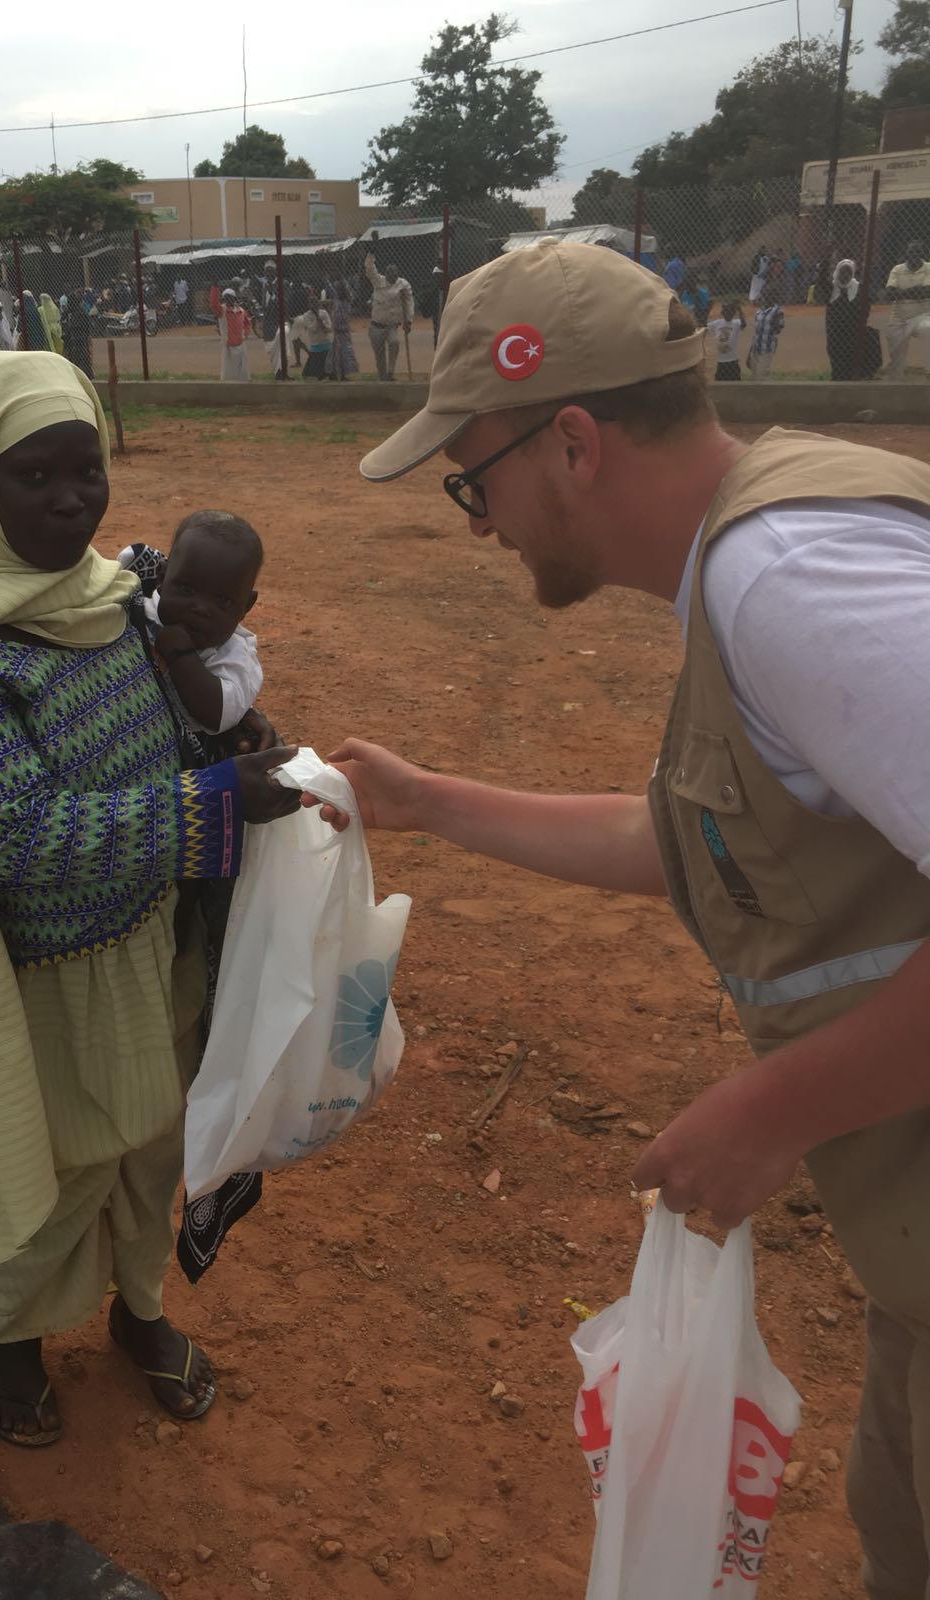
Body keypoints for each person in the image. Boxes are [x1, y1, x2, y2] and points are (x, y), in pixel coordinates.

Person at [317, 237, 930, 1600]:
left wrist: (773, 1112)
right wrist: (432, 803)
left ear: (576, 442)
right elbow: (697, 835)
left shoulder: (787, 582)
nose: (477, 522)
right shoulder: (753, 556)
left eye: (473, 478)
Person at [0, 352, 300, 1447]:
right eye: (31, 474)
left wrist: (231, 742)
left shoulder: (117, 596)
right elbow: (15, 831)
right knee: (58, 1175)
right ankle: (12, 1337)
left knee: (152, 1152)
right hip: (50, 978)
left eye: (84, 468)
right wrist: (209, 804)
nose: (67, 498)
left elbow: (182, 714)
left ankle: (139, 1311)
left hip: (155, 940)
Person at [118, 511, 262, 739]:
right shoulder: (133, 610)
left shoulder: (235, 655)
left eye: (223, 601)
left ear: (245, 607)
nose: (201, 608)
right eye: (187, 589)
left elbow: (220, 714)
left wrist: (181, 655)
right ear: (162, 578)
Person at [884, 239, 930, 381]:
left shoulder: (929, 267)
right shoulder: (897, 269)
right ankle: (897, 379)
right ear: (906, 254)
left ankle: (929, 371)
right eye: (911, 252)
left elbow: (926, 292)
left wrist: (900, 293)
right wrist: (916, 292)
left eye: (917, 251)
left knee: (929, 329)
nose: (914, 255)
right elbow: (889, 294)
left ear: (923, 253)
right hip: (899, 319)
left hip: (922, 316)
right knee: (897, 356)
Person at [364, 251, 413, 381]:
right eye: (390, 275)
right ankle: (383, 377)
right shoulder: (378, 281)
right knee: (379, 356)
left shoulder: (403, 284)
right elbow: (369, 269)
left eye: (395, 276)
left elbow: (409, 302)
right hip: (376, 326)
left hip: (392, 326)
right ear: (385, 274)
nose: (393, 278)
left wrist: (408, 321)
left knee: (394, 343)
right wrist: (371, 253)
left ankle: (391, 371)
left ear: (398, 275)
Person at [826, 259, 864, 381]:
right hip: (834, 331)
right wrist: (827, 258)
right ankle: (836, 377)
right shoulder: (832, 287)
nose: (845, 275)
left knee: (851, 357)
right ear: (837, 272)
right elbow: (820, 287)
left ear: (852, 273)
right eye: (842, 272)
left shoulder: (858, 288)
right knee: (835, 356)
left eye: (849, 272)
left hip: (852, 331)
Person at [290, 297, 333, 380]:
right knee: (312, 374)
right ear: (309, 305)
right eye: (312, 304)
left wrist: (324, 325)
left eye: (316, 303)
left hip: (326, 343)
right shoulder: (306, 316)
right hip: (316, 344)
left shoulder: (323, 312)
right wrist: (317, 318)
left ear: (318, 304)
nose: (314, 306)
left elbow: (329, 327)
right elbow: (312, 329)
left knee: (330, 369)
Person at [747, 285, 785, 381]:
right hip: (756, 348)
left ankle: (767, 394)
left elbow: (778, 330)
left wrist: (776, 321)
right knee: (754, 375)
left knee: (763, 374)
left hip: (767, 348)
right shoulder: (759, 312)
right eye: (765, 294)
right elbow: (755, 333)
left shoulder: (777, 311)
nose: (767, 297)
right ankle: (757, 395)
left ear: (775, 297)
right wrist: (749, 353)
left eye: (771, 295)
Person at [216, 288, 253, 381]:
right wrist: (214, 288)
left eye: (231, 297)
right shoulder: (222, 311)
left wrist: (246, 334)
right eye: (226, 298)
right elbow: (213, 305)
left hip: (241, 344)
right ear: (224, 299)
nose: (229, 300)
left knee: (242, 371)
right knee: (228, 371)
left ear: (234, 298)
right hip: (228, 345)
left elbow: (247, 323)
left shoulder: (241, 311)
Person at [328, 279, 359, 380]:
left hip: (344, 332)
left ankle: (342, 375)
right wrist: (327, 278)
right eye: (338, 290)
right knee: (335, 355)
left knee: (345, 354)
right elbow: (330, 288)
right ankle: (335, 374)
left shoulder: (347, 300)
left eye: (341, 290)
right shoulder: (336, 299)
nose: (339, 292)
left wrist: (343, 280)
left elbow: (349, 292)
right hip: (336, 332)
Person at [706, 299, 743, 380]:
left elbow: (744, 324)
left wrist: (740, 310)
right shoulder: (717, 323)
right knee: (720, 383)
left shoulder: (736, 323)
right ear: (722, 313)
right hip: (721, 361)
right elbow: (704, 325)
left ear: (734, 313)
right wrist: (707, 311)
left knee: (735, 382)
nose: (728, 314)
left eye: (731, 311)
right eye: (726, 311)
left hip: (733, 360)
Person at [60, 293, 93, 377]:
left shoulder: (79, 312)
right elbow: (62, 319)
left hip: (79, 337)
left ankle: (84, 374)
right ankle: (77, 373)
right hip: (73, 337)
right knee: (75, 355)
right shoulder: (70, 311)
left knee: (81, 355)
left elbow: (83, 326)